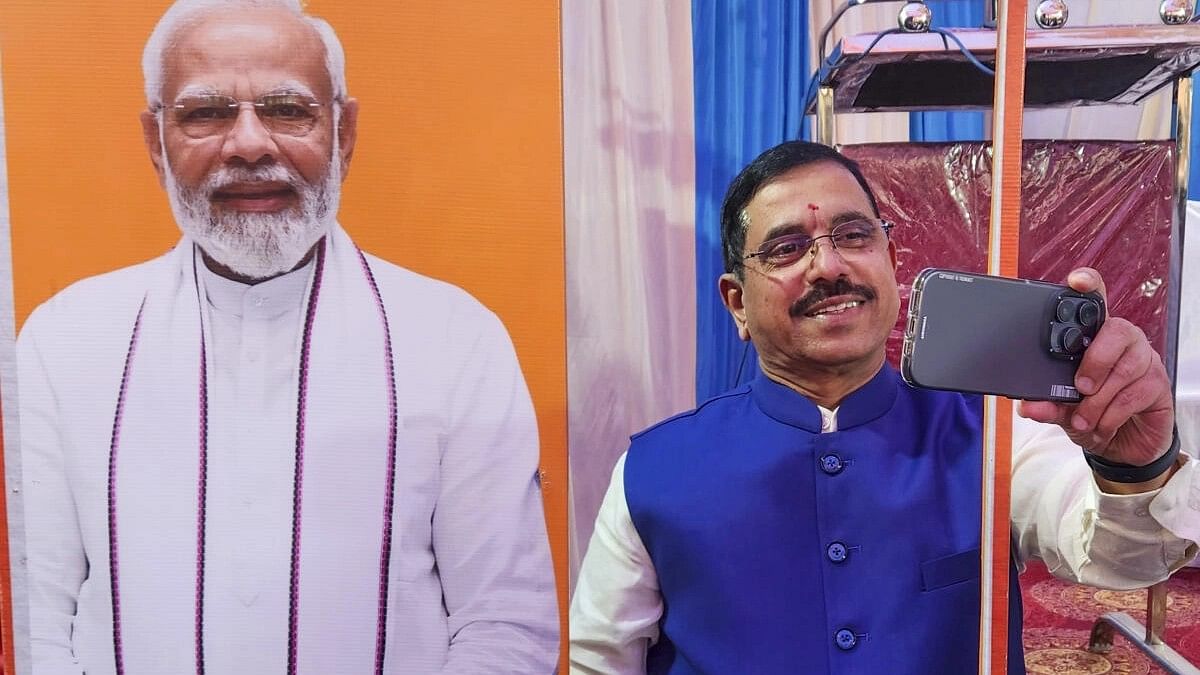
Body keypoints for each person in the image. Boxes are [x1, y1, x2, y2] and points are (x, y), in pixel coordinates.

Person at [18, 1, 558, 673]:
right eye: (205, 113)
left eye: (287, 109)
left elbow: (504, 626)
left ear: (345, 131)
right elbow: (40, 620)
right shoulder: (63, 343)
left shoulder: (456, 341)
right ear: (156, 142)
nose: (249, 144)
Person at [569, 140, 1199, 674]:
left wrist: (1137, 464)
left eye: (853, 235)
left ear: (892, 264)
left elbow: (1125, 556)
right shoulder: (654, 471)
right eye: (787, 249)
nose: (830, 266)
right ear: (736, 303)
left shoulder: (993, 437)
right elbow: (599, 659)